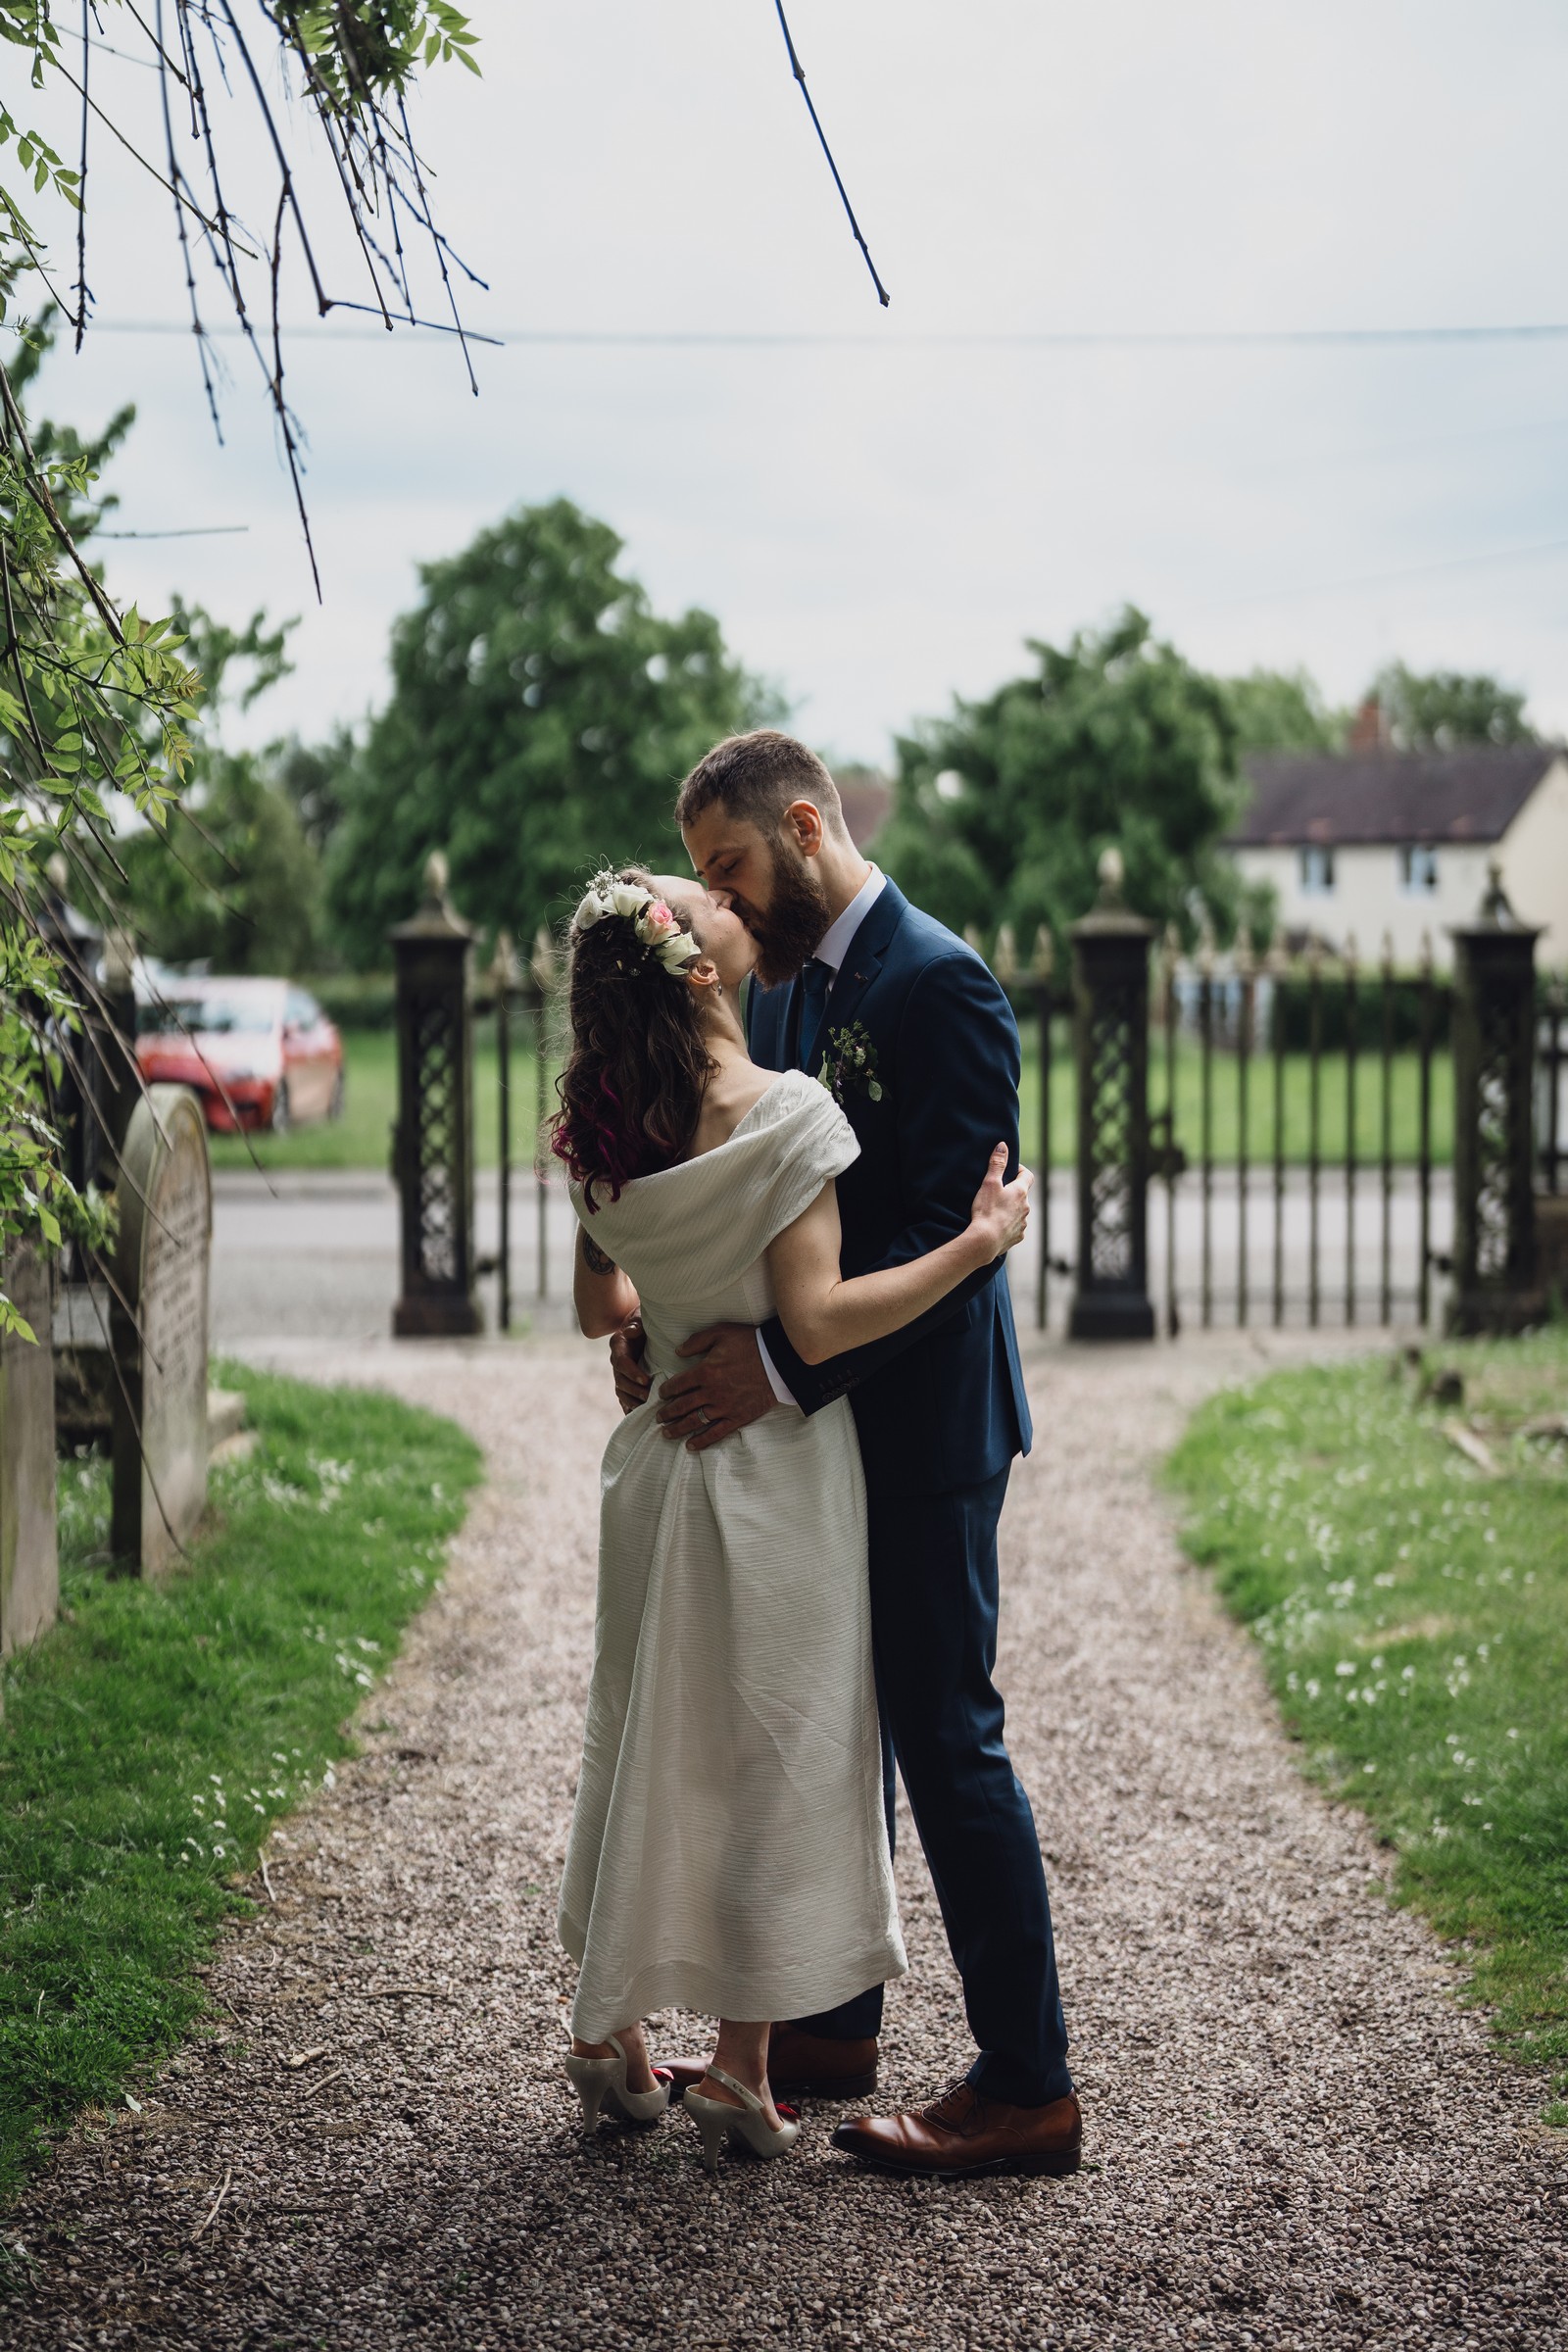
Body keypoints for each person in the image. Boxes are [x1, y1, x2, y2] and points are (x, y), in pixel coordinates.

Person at [611, 729, 1081, 2180]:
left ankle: (1027, 2081)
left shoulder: (942, 985)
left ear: (806, 827)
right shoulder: (800, 987)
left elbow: (947, 1243)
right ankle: (828, 2027)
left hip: (929, 1426)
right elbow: (776, 1195)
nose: (726, 909)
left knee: (947, 1730)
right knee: (828, 1723)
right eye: (706, 884)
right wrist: (677, 1310)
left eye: (732, 871)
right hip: (825, 1433)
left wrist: (782, 1358)